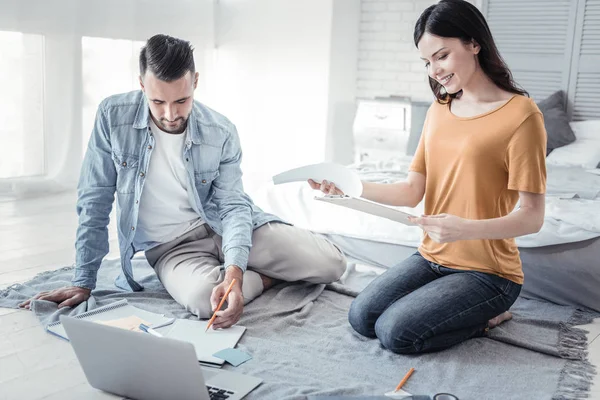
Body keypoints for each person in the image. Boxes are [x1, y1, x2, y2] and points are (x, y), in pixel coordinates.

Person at [20, 34, 346, 329]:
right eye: (158, 102)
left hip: (224, 224)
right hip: (171, 248)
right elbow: (95, 199)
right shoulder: (111, 116)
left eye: (181, 101)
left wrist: (234, 268)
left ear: (195, 83)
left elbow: (233, 206)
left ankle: (254, 262)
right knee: (207, 302)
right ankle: (266, 276)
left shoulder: (220, 130)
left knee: (331, 264)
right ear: (142, 84)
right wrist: (84, 281)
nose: (170, 114)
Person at [310, 0, 546, 354]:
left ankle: (490, 316)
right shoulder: (440, 109)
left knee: (396, 333)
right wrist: (350, 188)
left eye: (442, 55)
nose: (434, 70)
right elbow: (411, 190)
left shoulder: (522, 115)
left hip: (489, 272)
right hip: (432, 256)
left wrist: (463, 228)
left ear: (474, 43)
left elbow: (532, 216)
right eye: (427, 61)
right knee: (361, 316)